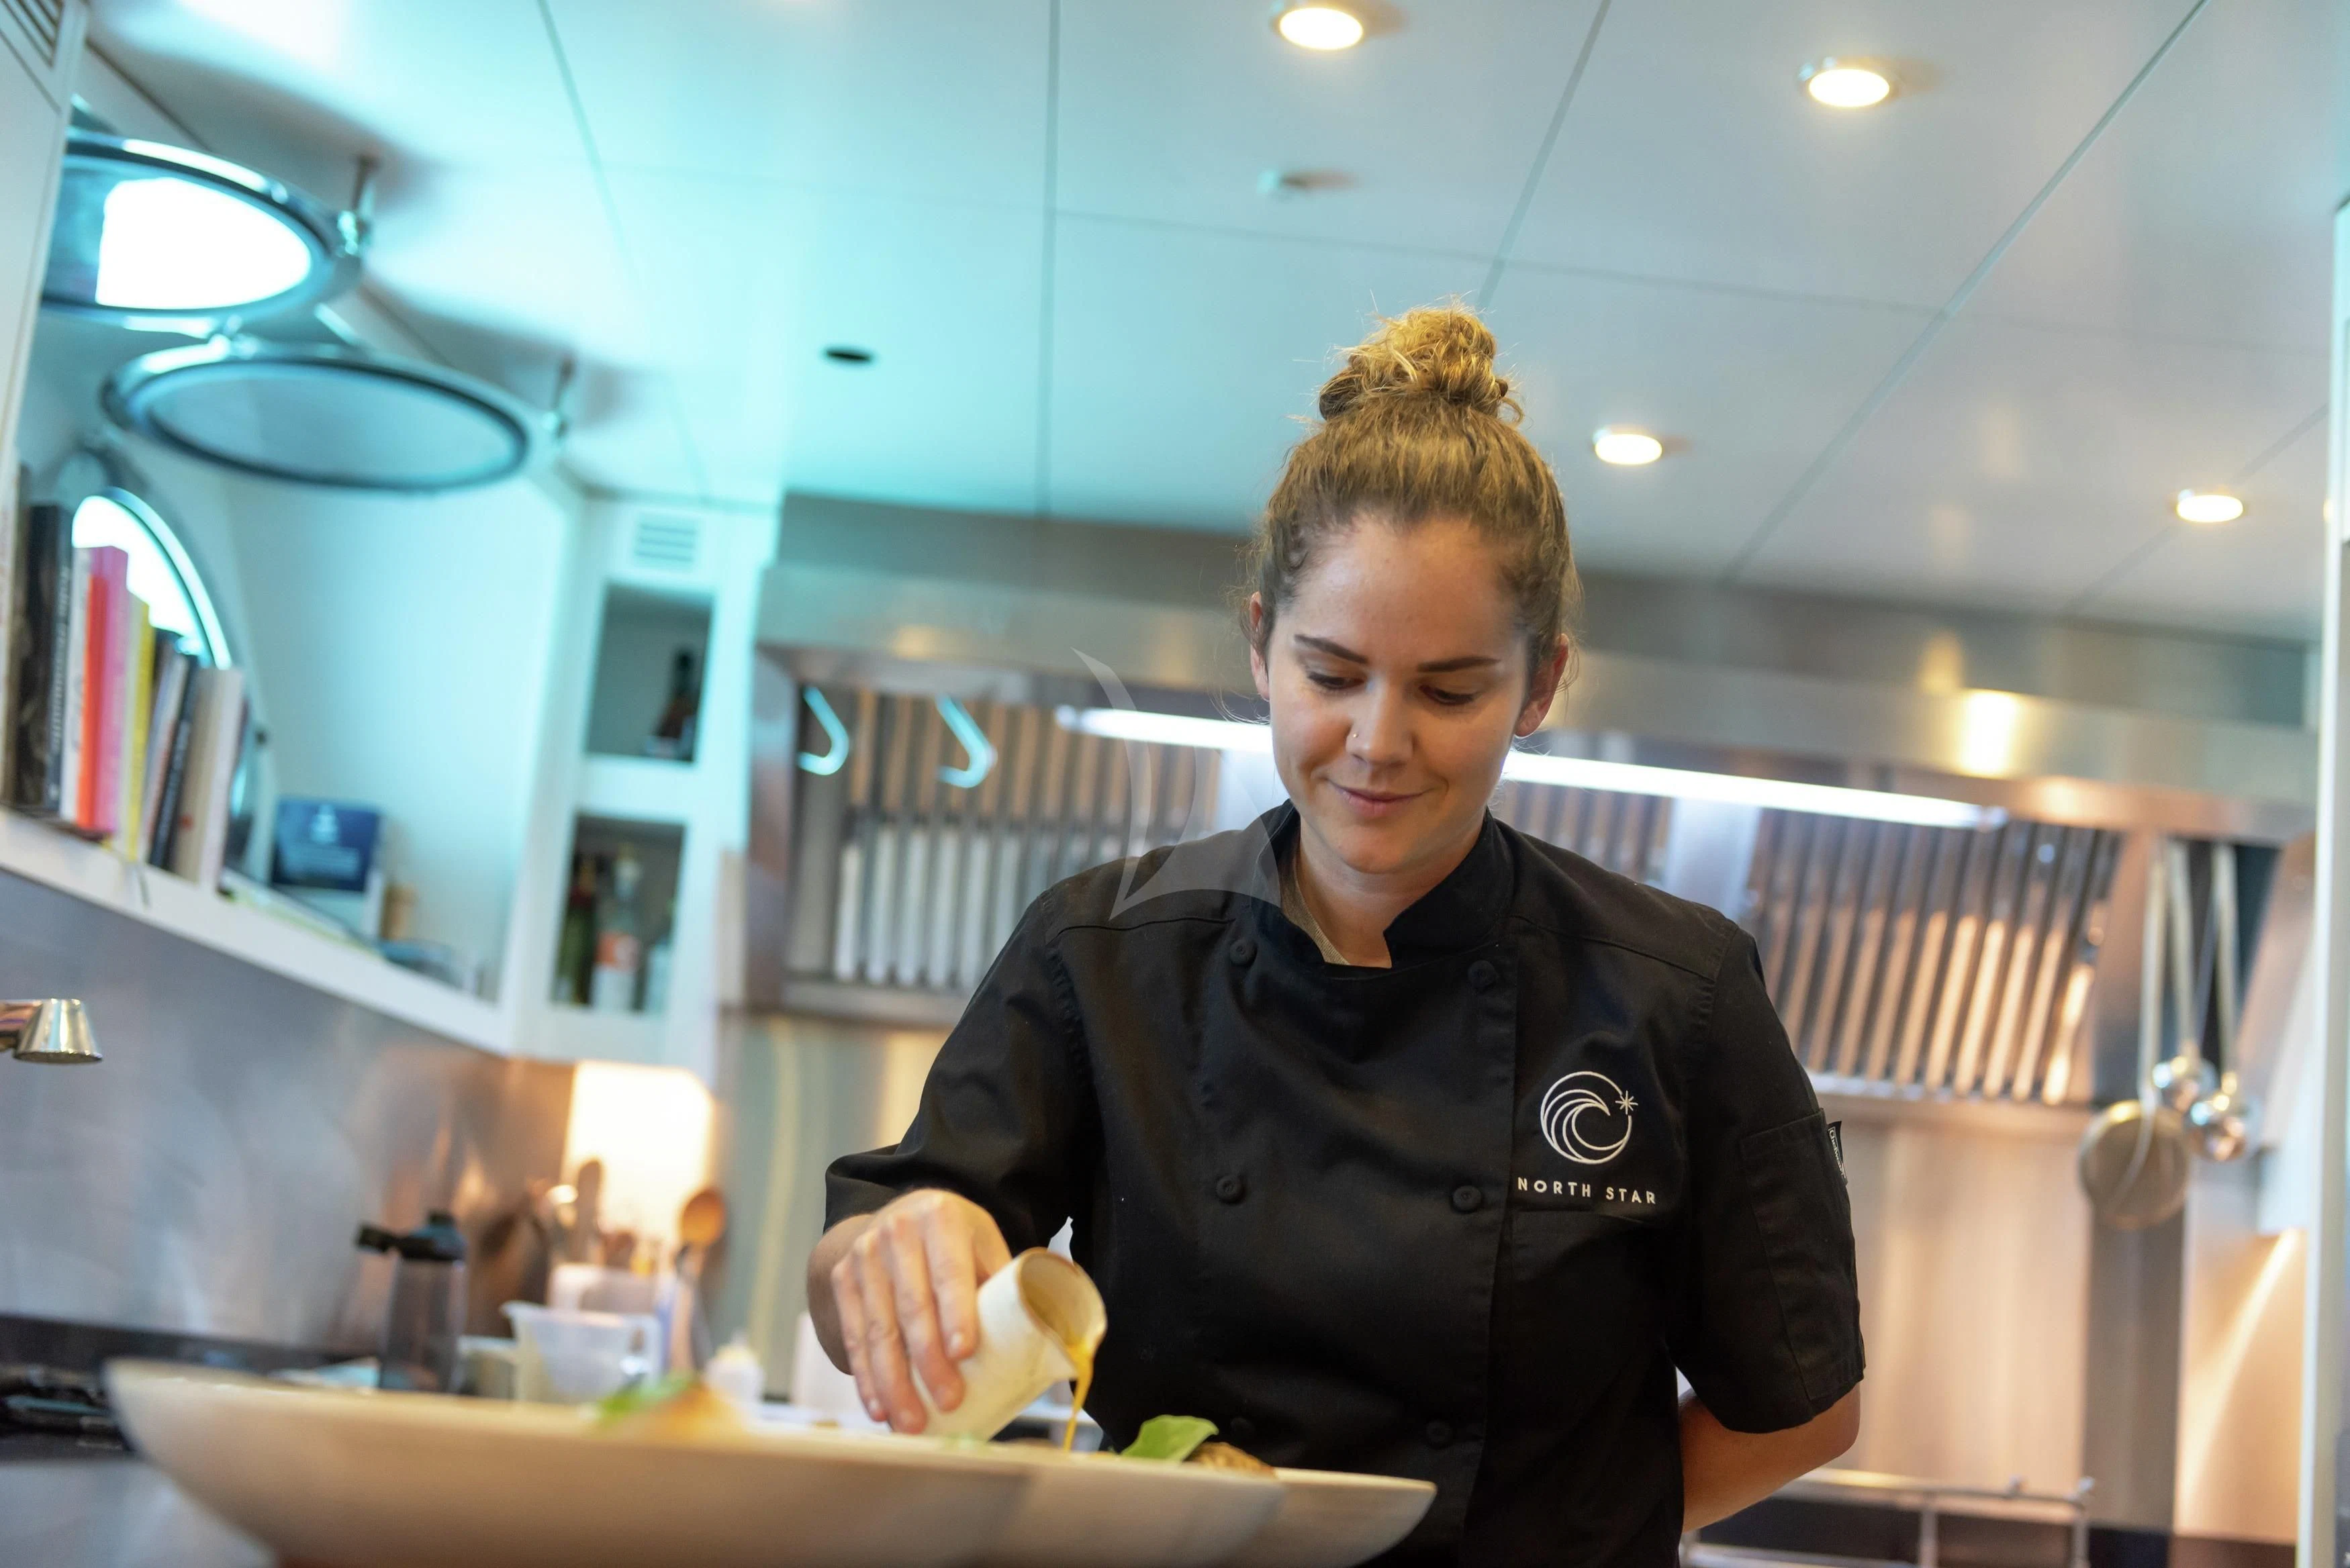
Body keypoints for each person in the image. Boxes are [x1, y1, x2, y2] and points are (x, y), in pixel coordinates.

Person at [808, 304, 1863, 1565]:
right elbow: (871, 1265)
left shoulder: (1675, 997)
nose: (1377, 741)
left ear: (1541, 685)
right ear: (1261, 647)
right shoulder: (1104, 953)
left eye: (1449, 690)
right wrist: (895, 1253)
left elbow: (1803, 1407)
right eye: (1331, 672)